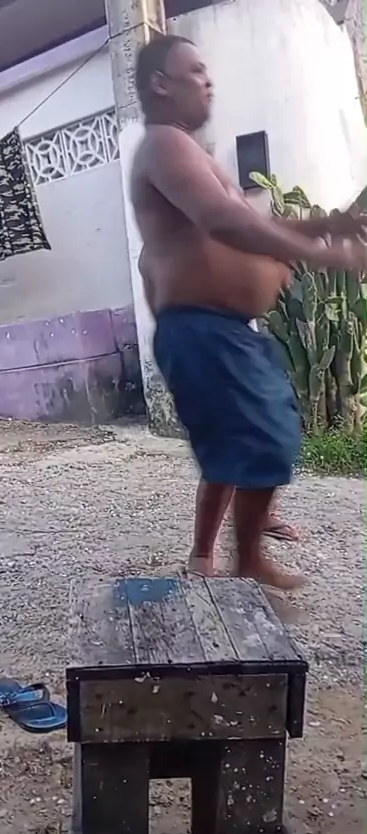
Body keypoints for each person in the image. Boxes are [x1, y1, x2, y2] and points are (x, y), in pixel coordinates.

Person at [131, 34, 366, 589]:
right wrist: (321, 254)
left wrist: (322, 224)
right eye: (195, 70)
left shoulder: (190, 153)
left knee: (249, 441)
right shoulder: (163, 144)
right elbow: (223, 221)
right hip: (200, 330)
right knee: (261, 438)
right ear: (161, 84)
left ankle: (234, 556)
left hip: (223, 329)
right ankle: (246, 561)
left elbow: (254, 222)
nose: (208, 80)